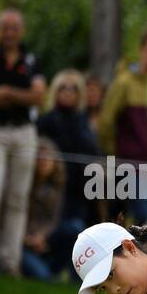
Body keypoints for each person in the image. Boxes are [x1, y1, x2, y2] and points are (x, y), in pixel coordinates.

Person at [0, 8, 45, 282]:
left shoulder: (32, 59)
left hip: (24, 133)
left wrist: (6, 91)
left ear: (22, 30)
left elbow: (39, 96)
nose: (10, 32)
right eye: (6, 27)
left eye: (15, 27)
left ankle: (9, 262)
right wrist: (20, 94)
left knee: (17, 198)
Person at [98, 30, 147, 224]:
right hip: (132, 166)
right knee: (145, 217)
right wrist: (117, 154)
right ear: (141, 50)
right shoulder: (124, 83)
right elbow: (106, 121)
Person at [37, 70, 100, 273]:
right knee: (53, 230)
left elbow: (92, 152)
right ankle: (48, 270)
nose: (67, 92)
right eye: (63, 87)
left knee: (78, 233)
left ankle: (76, 276)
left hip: (79, 190)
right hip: (52, 188)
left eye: (73, 88)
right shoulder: (46, 121)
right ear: (55, 91)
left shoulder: (84, 122)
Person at [20, 137, 63, 280]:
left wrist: (43, 236)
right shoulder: (22, 186)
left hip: (47, 241)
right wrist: (28, 239)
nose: (43, 161)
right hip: (23, 244)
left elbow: (55, 218)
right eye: (39, 156)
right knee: (44, 277)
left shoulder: (58, 187)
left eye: (47, 156)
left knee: (74, 229)